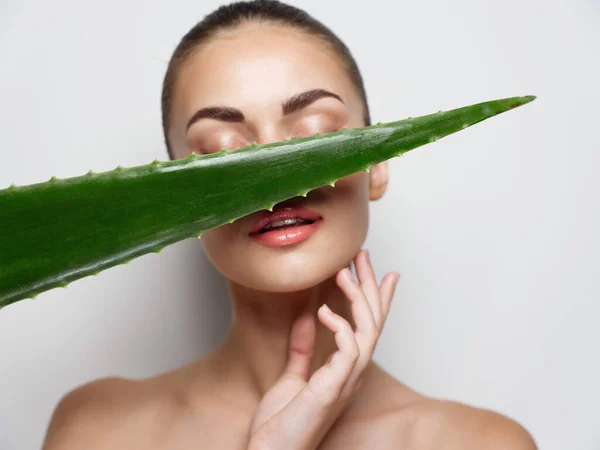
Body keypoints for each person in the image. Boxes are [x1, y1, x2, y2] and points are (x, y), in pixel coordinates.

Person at [42, 1, 537, 449]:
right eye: (222, 152)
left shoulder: (483, 443)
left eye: (315, 137)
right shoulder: (97, 430)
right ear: (176, 203)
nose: (277, 183)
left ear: (380, 163)